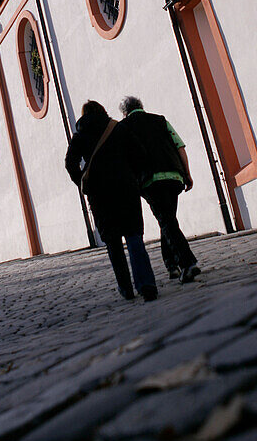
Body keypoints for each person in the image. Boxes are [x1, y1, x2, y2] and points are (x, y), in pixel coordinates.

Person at [65, 100, 158, 302]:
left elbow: (69, 163)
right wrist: (131, 174)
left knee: (113, 243)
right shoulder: (118, 128)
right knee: (134, 236)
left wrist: (82, 182)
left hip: (99, 195)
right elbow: (140, 154)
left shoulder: (80, 135)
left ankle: (126, 288)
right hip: (126, 188)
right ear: (103, 111)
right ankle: (146, 284)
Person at [119, 96, 200, 284]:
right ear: (142, 107)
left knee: (166, 221)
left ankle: (188, 264)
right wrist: (187, 173)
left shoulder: (123, 127)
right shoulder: (161, 120)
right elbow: (180, 147)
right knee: (169, 219)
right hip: (174, 176)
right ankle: (171, 264)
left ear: (125, 113)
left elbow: (124, 160)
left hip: (150, 180)